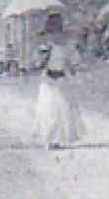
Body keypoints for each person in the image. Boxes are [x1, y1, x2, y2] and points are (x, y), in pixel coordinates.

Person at [33, 11, 85, 150]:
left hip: (61, 79)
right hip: (48, 80)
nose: (55, 33)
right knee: (48, 109)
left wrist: (74, 67)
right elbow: (37, 64)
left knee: (62, 109)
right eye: (53, 28)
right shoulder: (45, 44)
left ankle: (59, 139)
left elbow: (74, 61)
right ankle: (48, 139)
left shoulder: (67, 44)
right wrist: (44, 54)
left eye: (57, 28)